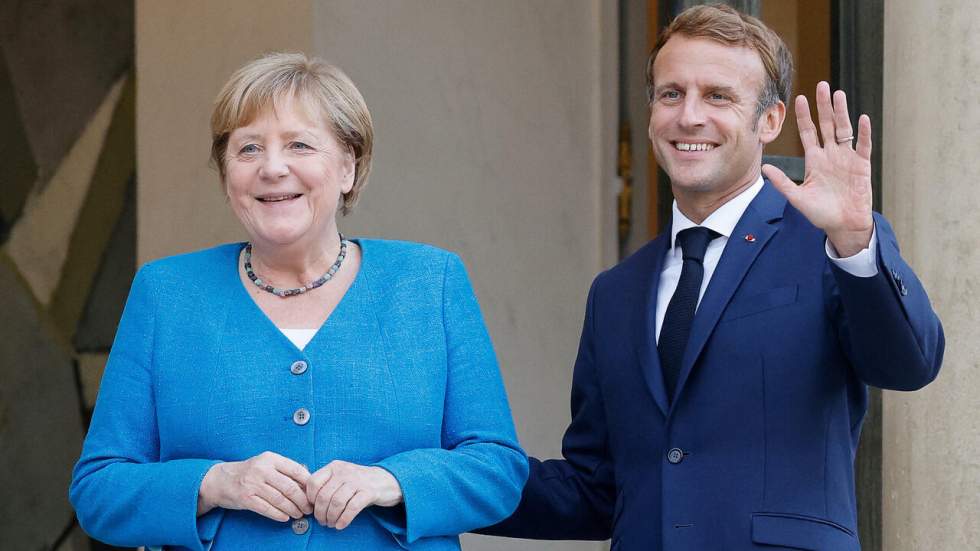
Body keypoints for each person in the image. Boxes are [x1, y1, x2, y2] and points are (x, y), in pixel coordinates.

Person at [480, 5, 943, 550]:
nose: (689, 116)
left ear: (769, 121)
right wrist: (434, 484)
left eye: (718, 96)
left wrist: (853, 239)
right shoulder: (616, 292)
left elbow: (909, 363)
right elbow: (596, 489)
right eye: (671, 94)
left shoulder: (830, 245)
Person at [69, 52, 527, 551]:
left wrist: (391, 482)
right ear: (226, 173)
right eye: (248, 149)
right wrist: (214, 484)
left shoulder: (429, 282)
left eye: (300, 145)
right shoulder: (166, 293)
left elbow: (498, 470)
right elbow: (98, 490)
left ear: (349, 166)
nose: (272, 168)